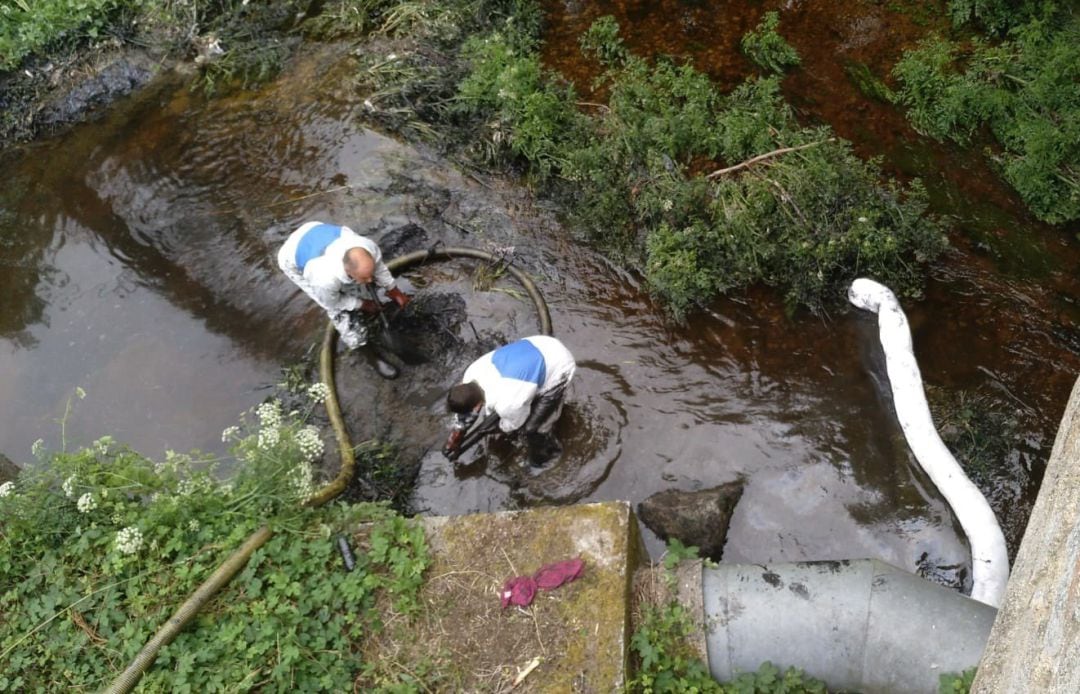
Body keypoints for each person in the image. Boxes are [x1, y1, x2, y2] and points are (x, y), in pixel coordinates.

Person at [278, 221, 410, 379]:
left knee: (363, 285)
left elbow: (379, 268)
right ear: (347, 271)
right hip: (292, 256)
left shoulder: (366, 246)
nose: (370, 281)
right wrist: (362, 304)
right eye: (364, 277)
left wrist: (394, 290)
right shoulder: (323, 279)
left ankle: (367, 307)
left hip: (314, 230)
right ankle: (371, 356)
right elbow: (331, 303)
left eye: (370, 275)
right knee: (342, 315)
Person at [443, 335, 576, 465]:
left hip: (561, 365)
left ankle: (548, 455)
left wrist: (497, 428)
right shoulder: (471, 372)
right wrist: (455, 437)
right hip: (540, 343)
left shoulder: (508, 403)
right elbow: (466, 411)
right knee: (522, 401)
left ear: (477, 406)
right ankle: (535, 389)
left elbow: (514, 425)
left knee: (530, 429)